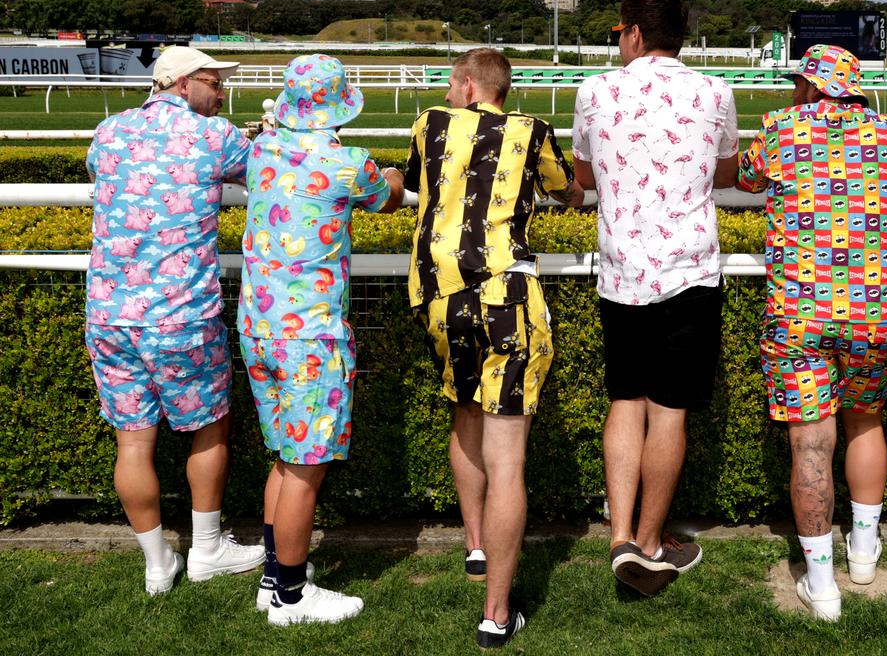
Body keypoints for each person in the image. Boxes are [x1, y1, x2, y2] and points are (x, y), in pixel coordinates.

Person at [737, 44, 887, 620]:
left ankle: (822, 587)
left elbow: (746, 182)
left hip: (799, 312)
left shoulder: (778, 127)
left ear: (812, 85)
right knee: (866, 421)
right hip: (873, 313)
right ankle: (863, 554)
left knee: (810, 441)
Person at [404, 47, 580, 648]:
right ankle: (496, 614)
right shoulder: (532, 131)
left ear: (468, 82)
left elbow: (416, 184)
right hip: (510, 297)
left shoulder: (428, 124)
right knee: (509, 460)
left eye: (453, 83)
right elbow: (568, 192)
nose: (448, 92)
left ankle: (476, 546)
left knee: (464, 412)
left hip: (441, 299)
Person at [570, 0, 739, 597]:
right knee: (670, 410)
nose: (618, 41)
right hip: (690, 272)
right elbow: (726, 170)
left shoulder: (594, 91)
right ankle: (648, 540)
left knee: (626, 401)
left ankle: (620, 537)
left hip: (621, 274)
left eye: (620, 32)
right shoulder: (715, 92)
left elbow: (582, 176)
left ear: (635, 34)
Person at [85, 46, 264, 595]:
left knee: (133, 443)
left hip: (109, 315)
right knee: (210, 426)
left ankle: (156, 563)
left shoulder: (109, 129)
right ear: (183, 85)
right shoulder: (216, 136)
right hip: (181, 315)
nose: (222, 92)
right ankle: (207, 547)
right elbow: (263, 170)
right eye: (214, 82)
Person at [238, 54, 404, 625]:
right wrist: (397, 176)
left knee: (285, 457)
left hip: (258, 327)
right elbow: (386, 195)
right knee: (306, 466)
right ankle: (290, 595)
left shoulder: (260, 150)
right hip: (309, 335)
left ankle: (272, 577)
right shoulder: (346, 162)